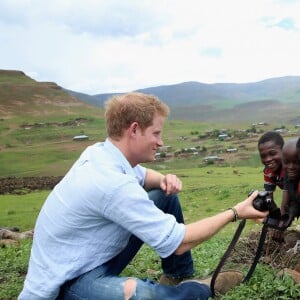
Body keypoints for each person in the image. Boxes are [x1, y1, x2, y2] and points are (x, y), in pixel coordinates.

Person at [19, 92, 268, 300]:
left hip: (88, 256)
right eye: (156, 133)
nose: (160, 142)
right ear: (134, 130)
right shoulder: (110, 183)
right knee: (142, 295)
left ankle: (178, 273)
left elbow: (144, 175)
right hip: (68, 281)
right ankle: (202, 287)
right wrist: (235, 212)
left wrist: (162, 180)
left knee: (164, 194)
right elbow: (179, 241)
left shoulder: (101, 153)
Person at [280, 138, 300, 228]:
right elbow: (297, 201)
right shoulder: (288, 176)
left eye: (297, 162)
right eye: (286, 162)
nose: (291, 167)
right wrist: (292, 213)